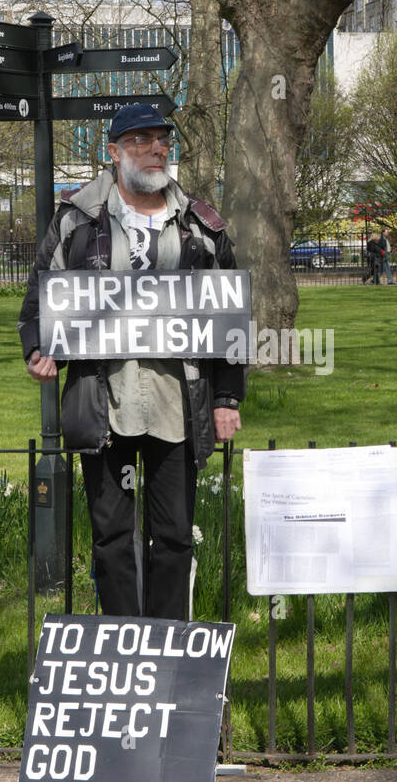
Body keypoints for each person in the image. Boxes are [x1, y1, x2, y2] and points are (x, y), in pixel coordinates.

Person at [17, 103, 245, 621]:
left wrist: (227, 398)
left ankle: (169, 646)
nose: (156, 149)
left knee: (173, 536)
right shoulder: (76, 218)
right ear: (113, 151)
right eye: (140, 141)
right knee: (111, 537)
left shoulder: (201, 226)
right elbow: (39, 299)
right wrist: (38, 348)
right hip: (105, 403)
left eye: (162, 140)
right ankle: (122, 642)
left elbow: (228, 317)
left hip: (177, 406)